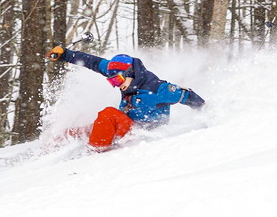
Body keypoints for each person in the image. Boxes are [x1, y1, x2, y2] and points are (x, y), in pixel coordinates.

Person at [46, 46, 206, 150]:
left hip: (143, 131)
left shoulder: (158, 89)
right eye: (112, 81)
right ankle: (52, 148)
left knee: (107, 114)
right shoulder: (117, 70)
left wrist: (207, 112)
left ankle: (94, 151)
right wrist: (65, 54)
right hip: (127, 123)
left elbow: (186, 95)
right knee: (83, 130)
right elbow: (92, 62)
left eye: (118, 80)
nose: (116, 84)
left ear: (130, 73)